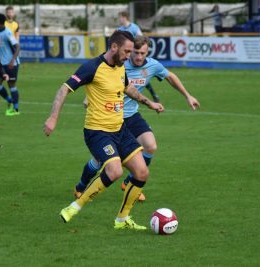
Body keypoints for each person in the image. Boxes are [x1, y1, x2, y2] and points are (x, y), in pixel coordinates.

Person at [43, 31, 164, 230]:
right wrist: (53, 117)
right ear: (114, 47)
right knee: (115, 171)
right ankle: (74, 207)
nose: (129, 56)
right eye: (126, 51)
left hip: (120, 130)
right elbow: (64, 88)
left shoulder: (120, 66)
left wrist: (148, 102)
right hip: (97, 132)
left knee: (142, 172)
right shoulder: (92, 67)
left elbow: (127, 87)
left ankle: (122, 220)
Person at [73, 36, 200, 202]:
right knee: (99, 160)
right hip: (109, 118)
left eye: (143, 53)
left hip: (132, 115)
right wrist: (89, 98)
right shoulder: (120, 63)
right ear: (129, 51)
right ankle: (81, 186)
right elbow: (98, 77)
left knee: (150, 145)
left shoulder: (152, 65)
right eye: (136, 52)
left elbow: (170, 77)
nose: (139, 57)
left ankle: (131, 183)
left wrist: (188, 96)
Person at [117, 11, 160, 103]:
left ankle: (152, 94)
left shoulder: (134, 27)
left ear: (124, 17)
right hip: (125, 55)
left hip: (134, 54)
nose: (119, 19)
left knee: (141, 77)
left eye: (120, 17)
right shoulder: (119, 29)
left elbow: (141, 38)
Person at [0, 13, 21, 116]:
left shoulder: (7, 33)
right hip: (1, 64)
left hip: (11, 64)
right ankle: (9, 100)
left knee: (11, 86)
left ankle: (16, 109)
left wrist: (12, 60)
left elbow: (18, 47)